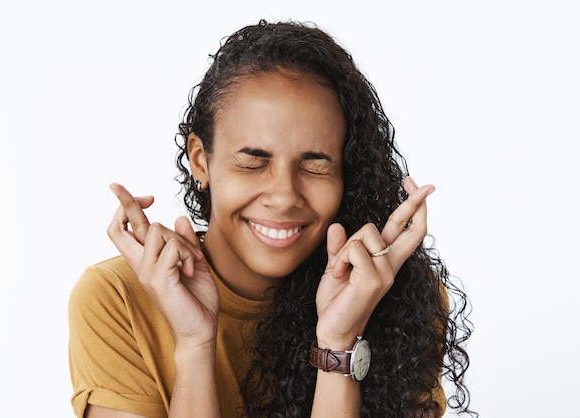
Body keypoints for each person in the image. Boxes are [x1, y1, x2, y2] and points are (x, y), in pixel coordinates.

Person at [68, 19, 475, 418]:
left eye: (315, 166)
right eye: (252, 162)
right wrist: (194, 346)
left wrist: (339, 344)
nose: (283, 197)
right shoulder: (117, 298)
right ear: (201, 161)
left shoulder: (397, 298)